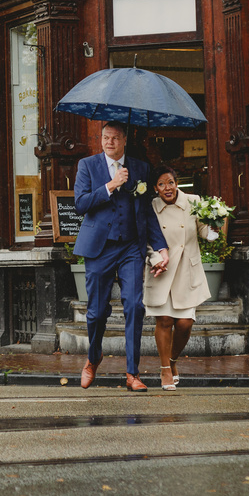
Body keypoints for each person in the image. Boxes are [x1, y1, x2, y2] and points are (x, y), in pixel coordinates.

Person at [73, 121, 169, 392]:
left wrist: (161, 247)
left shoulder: (140, 168)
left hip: (130, 248)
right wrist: (111, 185)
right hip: (99, 249)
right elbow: (80, 204)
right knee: (96, 312)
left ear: (124, 140)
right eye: (105, 137)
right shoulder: (88, 165)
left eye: (115, 138)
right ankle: (93, 358)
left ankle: (132, 373)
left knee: (134, 306)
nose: (109, 142)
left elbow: (148, 212)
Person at [143, 165, 214, 391]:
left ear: (177, 183)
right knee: (164, 321)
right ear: (155, 188)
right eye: (162, 184)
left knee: (184, 324)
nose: (167, 188)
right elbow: (145, 238)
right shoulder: (151, 206)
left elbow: (204, 231)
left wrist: (215, 225)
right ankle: (165, 369)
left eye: (171, 182)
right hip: (162, 268)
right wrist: (154, 259)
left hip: (186, 268)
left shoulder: (193, 201)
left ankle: (173, 360)